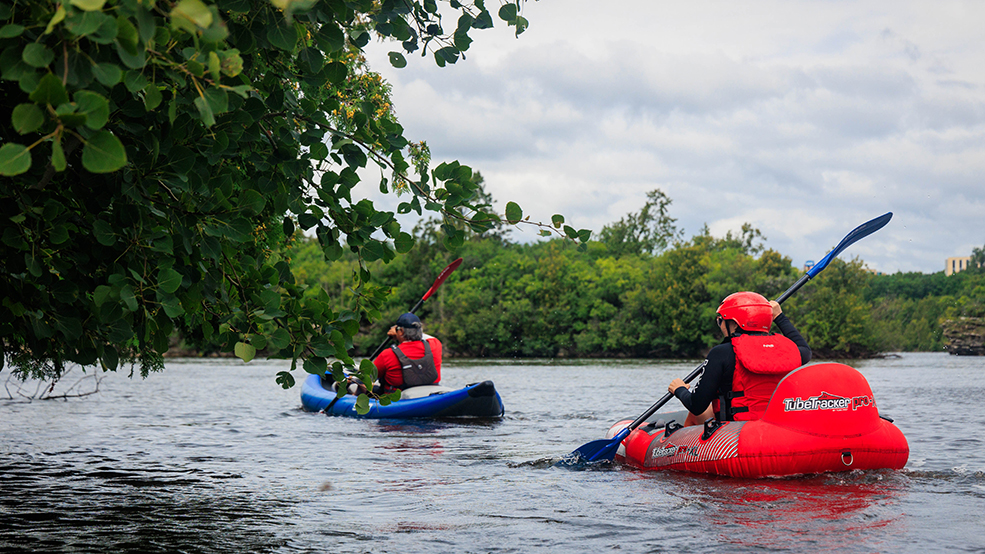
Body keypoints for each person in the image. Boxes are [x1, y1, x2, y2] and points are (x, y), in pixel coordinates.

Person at [668, 291, 811, 426]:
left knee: (695, 414)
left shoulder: (721, 353)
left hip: (737, 432)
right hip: (778, 427)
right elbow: (805, 350)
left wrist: (679, 390)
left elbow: (697, 405)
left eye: (720, 321)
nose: (720, 325)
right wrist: (780, 317)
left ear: (735, 324)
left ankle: (676, 443)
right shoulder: (785, 351)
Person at [371, 312, 443, 393]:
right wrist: (409, 330)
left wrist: (399, 332)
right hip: (428, 396)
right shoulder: (435, 345)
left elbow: (368, 377)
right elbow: (427, 337)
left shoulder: (387, 354)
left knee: (361, 385)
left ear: (401, 331)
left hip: (398, 399)